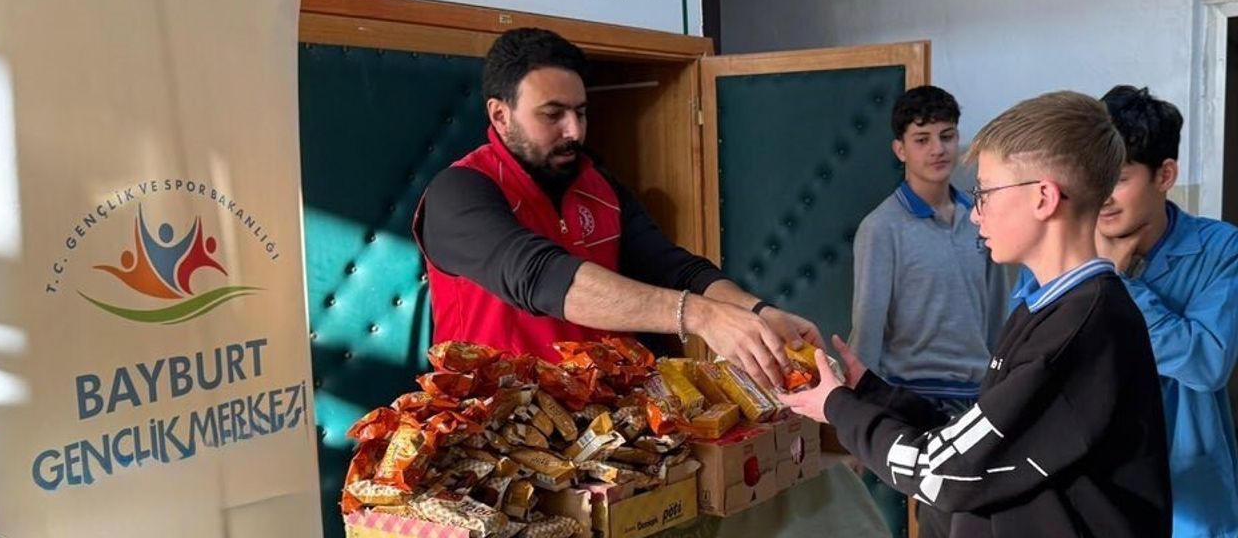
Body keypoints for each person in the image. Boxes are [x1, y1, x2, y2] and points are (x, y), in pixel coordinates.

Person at [780, 91, 1171, 537]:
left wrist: (837, 408)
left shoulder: (1078, 329)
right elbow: (984, 440)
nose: (974, 214)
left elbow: (943, 472)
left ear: (1044, 198)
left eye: (984, 192)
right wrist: (871, 393)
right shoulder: (1046, 309)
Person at [414, 27, 820, 386]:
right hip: (493, 430)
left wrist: (757, 311)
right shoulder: (460, 192)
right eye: (553, 114)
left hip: (598, 426)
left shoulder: (598, 183)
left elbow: (675, 268)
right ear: (500, 114)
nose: (574, 130)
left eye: (581, 112)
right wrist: (701, 316)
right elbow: (539, 277)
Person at [849, 85, 1008, 537]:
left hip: (976, 401)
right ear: (900, 148)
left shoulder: (982, 216)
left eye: (947, 135)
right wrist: (862, 416)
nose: (937, 149)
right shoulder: (882, 228)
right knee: (892, 527)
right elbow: (868, 325)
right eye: (922, 139)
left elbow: (999, 316)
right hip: (907, 401)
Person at [1089, 85, 1238, 537]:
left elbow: (1207, 363)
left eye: (1118, 178)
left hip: (1189, 502)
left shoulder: (1220, 249)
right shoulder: (1062, 250)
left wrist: (1117, 283)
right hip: (1091, 493)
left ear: (1165, 174)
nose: (1102, 196)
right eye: (1094, 177)